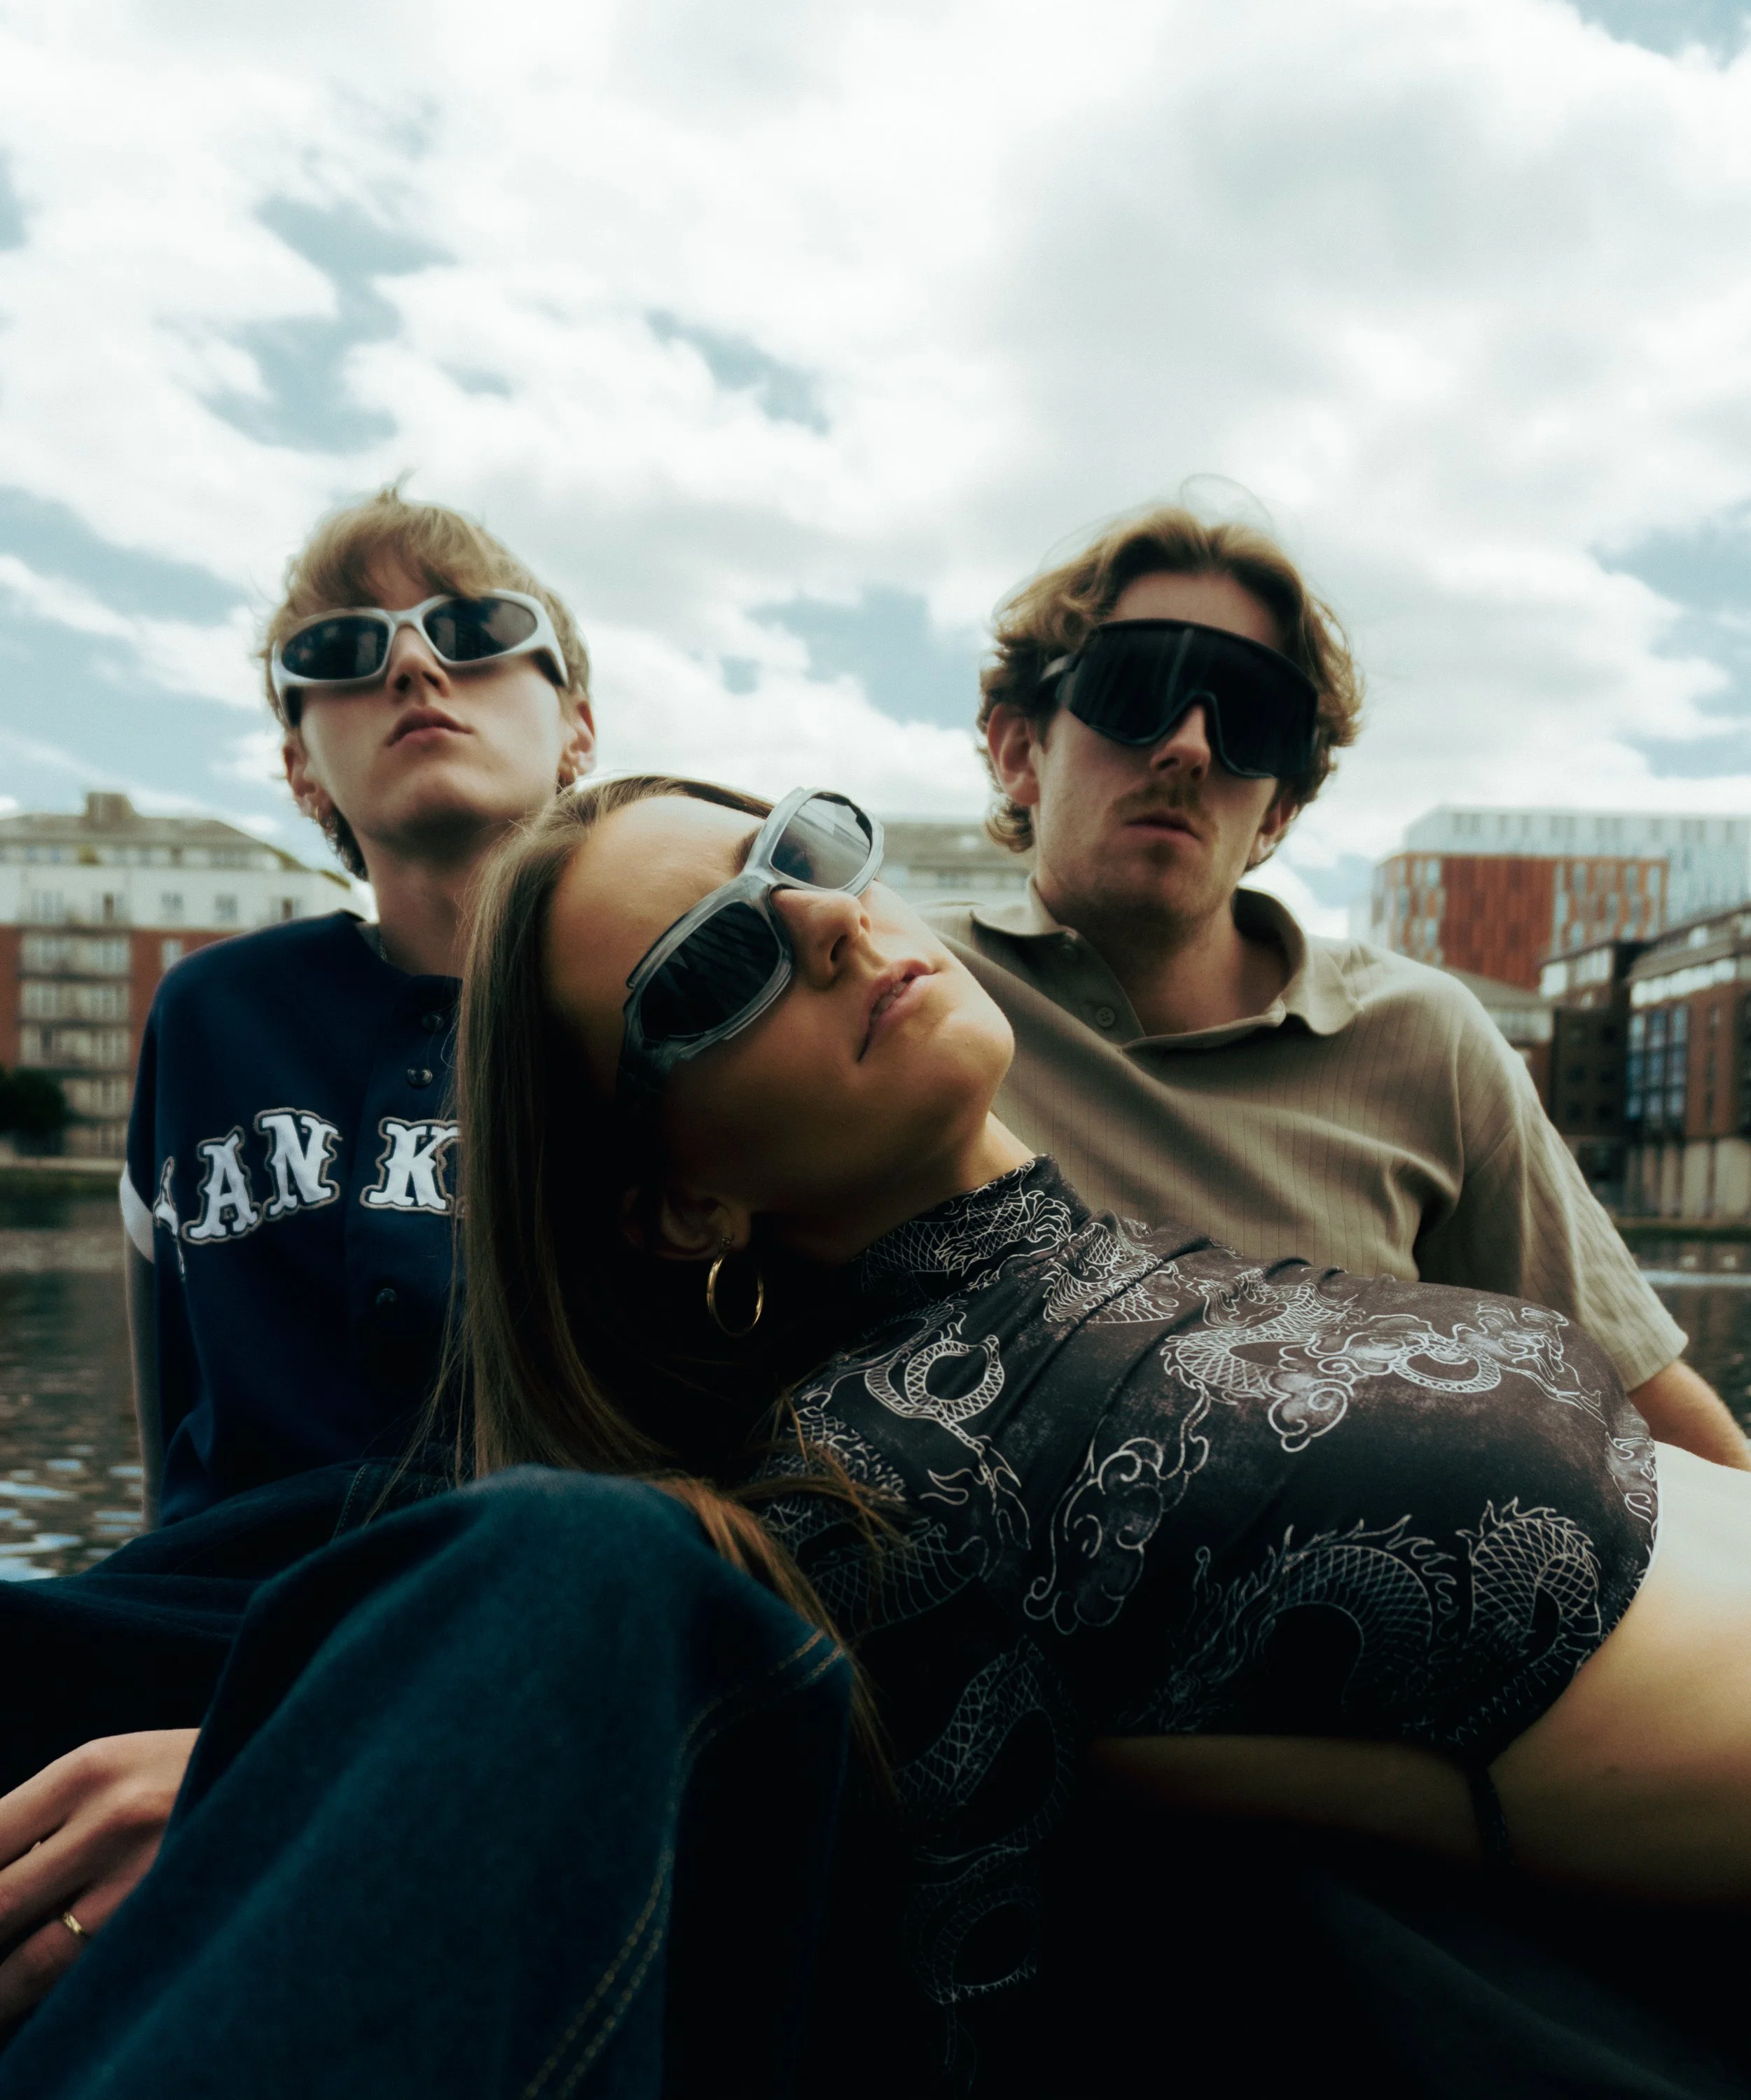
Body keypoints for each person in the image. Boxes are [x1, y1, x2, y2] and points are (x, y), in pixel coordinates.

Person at [8, 774, 1751, 2096]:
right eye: (712, 967)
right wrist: (321, 1764)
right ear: (678, 1202)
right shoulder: (891, 1496)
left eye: (801, 848)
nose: (824, 922)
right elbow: (673, 1701)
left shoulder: (1112, 1281)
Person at [920, 505, 1749, 1471]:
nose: (1189, 745)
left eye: (1252, 715)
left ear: (1279, 808)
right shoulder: (907, 992)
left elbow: (1654, 1414)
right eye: (1133, 685)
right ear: (1020, 751)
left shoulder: (1426, 1041)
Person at [120, 486, 595, 1527]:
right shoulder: (210, 1016)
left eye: (476, 630)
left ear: (578, 726)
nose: (414, 666)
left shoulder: (667, 1006)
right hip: (227, 1596)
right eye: (340, 651)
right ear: (301, 768)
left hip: (552, 1568)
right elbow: (172, 1401)